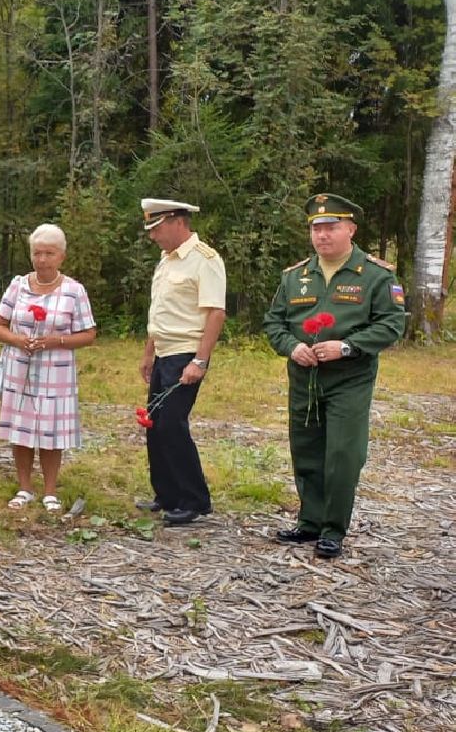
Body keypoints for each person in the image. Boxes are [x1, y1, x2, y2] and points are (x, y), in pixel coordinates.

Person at [261, 194, 406, 559]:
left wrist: (347, 346)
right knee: (306, 449)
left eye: (331, 227)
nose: (322, 235)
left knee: (343, 453)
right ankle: (310, 522)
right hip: (304, 377)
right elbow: (274, 322)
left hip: (349, 377)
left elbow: (392, 324)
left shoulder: (376, 275)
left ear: (351, 230)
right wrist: (292, 346)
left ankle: (333, 530)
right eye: (316, 228)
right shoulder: (295, 276)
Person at [0, 224, 97, 511]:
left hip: (56, 370)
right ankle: (24, 488)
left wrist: (56, 341)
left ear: (61, 256)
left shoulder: (74, 291)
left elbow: (89, 334)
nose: (42, 260)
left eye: (49, 253)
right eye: (37, 253)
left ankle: (50, 491)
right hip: (20, 368)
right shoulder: (18, 285)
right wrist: (18, 340)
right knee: (21, 428)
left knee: (51, 430)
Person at [138, 198, 226, 526]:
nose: (152, 236)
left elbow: (215, 313)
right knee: (155, 424)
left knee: (172, 425)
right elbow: (160, 311)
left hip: (186, 353)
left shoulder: (205, 259)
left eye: (156, 228)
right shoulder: (166, 259)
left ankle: (194, 500)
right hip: (164, 351)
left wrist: (200, 361)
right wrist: (149, 352)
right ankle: (167, 495)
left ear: (178, 222)